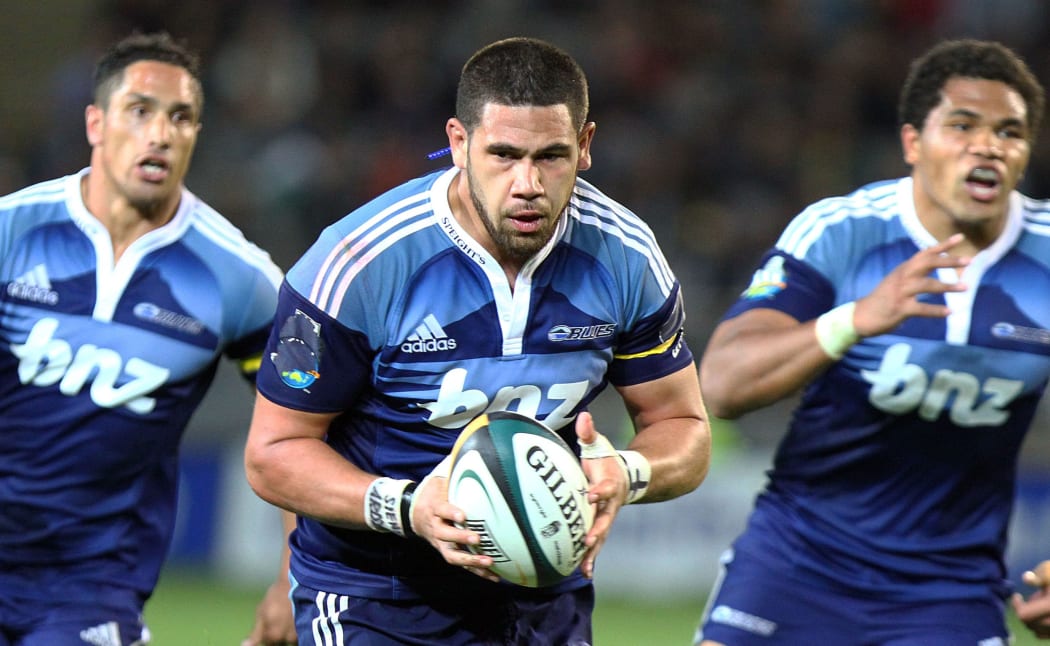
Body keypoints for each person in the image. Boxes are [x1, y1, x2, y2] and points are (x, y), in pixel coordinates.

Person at [244, 36, 711, 645]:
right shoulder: (359, 260)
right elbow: (273, 452)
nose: (527, 184)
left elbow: (685, 427)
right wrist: (407, 506)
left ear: (586, 147)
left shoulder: (625, 257)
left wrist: (626, 472)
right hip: (378, 595)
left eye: (550, 156)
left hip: (545, 593)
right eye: (504, 154)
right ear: (459, 144)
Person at [693, 39, 1050, 645]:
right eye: (963, 126)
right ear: (913, 143)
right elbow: (722, 384)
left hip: (950, 591)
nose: (987, 145)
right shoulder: (844, 232)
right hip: (795, 565)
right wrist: (854, 319)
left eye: (1009, 132)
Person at [0, 32, 295, 645]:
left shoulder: (239, 280)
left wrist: (293, 580)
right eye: (140, 111)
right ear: (96, 124)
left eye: (181, 117)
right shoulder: (13, 234)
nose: (161, 133)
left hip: (91, 583)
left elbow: (307, 424)